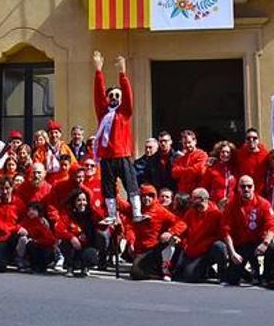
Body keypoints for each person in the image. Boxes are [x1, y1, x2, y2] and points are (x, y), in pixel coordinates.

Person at [92, 50, 144, 223]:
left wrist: (123, 73)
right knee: (108, 187)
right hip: (107, 158)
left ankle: (136, 212)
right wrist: (99, 70)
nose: (114, 97)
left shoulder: (125, 112)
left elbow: (128, 96)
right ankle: (112, 215)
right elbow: (98, 94)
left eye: (117, 95)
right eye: (111, 95)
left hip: (123, 156)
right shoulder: (103, 112)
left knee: (131, 185)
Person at [222, 176, 274, 286]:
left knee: (272, 247)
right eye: (243, 186)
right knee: (232, 280)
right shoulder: (232, 205)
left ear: (253, 187)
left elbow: (272, 226)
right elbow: (225, 230)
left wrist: (265, 243)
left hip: (258, 243)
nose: (246, 189)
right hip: (241, 245)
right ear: (238, 188)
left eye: (249, 186)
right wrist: (232, 253)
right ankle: (249, 274)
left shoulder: (263, 204)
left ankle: (266, 277)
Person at [128, 184, 186, 281]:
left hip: (157, 247)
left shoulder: (162, 211)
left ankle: (165, 269)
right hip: (140, 248)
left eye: (150, 196)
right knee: (136, 273)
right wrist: (130, 240)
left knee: (136, 273)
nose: (147, 198)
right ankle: (154, 271)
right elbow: (129, 226)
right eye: (144, 196)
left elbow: (182, 224)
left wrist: (171, 232)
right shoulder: (136, 210)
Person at [174, 188, 227, 283]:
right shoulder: (190, 212)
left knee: (220, 247)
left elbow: (221, 234)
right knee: (186, 275)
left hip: (206, 250)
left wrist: (206, 244)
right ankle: (206, 271)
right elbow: (182, 226)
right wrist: (175, 235)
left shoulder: (215, 214)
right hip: (193, 249)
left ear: (202, 199)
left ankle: (222, 275)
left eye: (193, 198)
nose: (191, 200)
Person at [56, 188, 106, 277]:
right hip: (72, 246)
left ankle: (85, 267)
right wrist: (72, 237)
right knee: (65, 243)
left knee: (99, 239)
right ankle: (70, 267)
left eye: (84, 200)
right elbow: (59, 229)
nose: (82, 203)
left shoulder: (91, 213)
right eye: (79, 200)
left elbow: (102, 226)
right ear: (74, 202)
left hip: (87, 246)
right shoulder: (67, 213)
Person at [16, 201, 58, 273]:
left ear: (39, 212)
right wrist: (20, 229)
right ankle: (23, 262)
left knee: (32, 245)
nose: (31, 212)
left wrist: (36, 241)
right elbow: (17, 226)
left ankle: (42, 265)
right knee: (24, 240)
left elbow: (51, 240)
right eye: (29, 210)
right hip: (32, 249)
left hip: (44, 249)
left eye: (34, 210)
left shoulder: (42, 223)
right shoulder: (26, 221)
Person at [171, 130, 208, 195]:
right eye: (185, 143)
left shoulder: (202, 155)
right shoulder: (181, 158)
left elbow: (200, 170)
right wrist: (191, 169)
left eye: (189, 142)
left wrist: (182, 170)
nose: (187, 145)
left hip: (197, 192)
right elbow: (174, 173)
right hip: (183, 193)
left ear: (195, 141)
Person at [201, 141, 236, 209]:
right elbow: (204, 188)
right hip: (215, 205)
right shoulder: (212, 169)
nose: (225, 154)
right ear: (219, 153)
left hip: (230, 205)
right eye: (222, 152)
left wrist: (229, 199)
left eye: (228, 152)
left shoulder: (234, 169)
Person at [235, 128, 269, 194]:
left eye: (254, 138)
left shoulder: (265, 154)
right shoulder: (240, 153)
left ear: (258, 140)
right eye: (248, 138)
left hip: (260, 192)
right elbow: (227, 159)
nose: (251, 140)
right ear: (245, 140)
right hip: (244, 191)